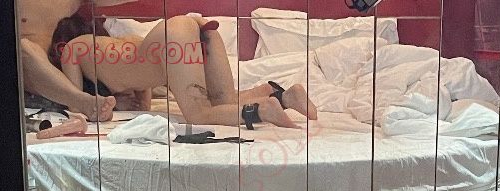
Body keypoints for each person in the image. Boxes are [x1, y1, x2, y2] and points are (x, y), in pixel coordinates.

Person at [55, 15, 318, 128]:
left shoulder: (72, 49)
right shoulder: (120, 45)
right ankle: (284, 96)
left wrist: (109, 103)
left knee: (199, 115)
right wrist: (123, 102)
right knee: (224, 103)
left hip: (172, 38)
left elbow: (76, 101)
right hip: (193, 27)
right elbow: (144, 103)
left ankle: (263, 110)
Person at [18, 0, 138, 121]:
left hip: (72, 73)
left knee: (119, 48)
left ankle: (93, 101)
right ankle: (83, 102)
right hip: (31, 72)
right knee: (24, 47)